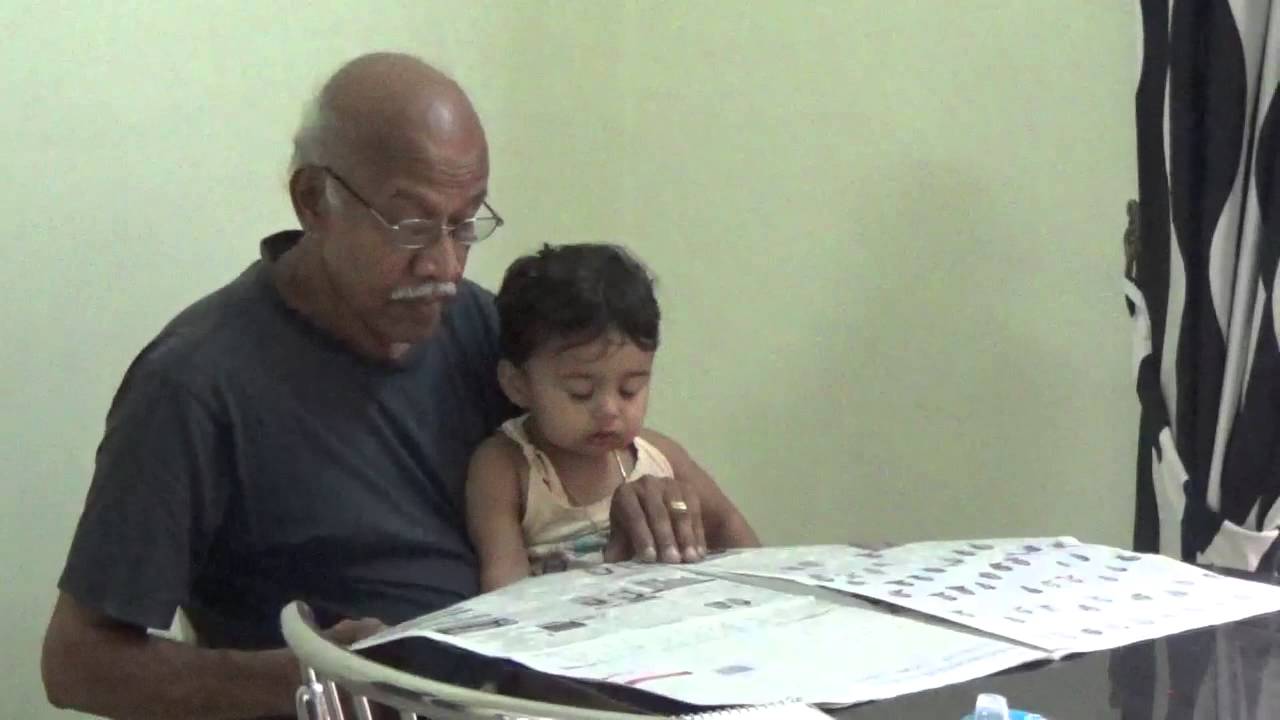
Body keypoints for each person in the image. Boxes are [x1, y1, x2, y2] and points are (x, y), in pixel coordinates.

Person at [40, 53, 721, 720]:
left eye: (466, 224)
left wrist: (644, 491)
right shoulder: (197, 383)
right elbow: (77, 664)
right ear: (314, 200)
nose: (445, 264)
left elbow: (578, 449)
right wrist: (304, 677)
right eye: (414, 225)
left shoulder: (477, 325)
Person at [467, 244, 759, 591]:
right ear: (517, 385)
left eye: (630, 389)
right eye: (581, 392)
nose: (609, 410)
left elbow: (730, 527)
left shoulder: (660, 457)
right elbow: (502, 587)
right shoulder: (507, 467)